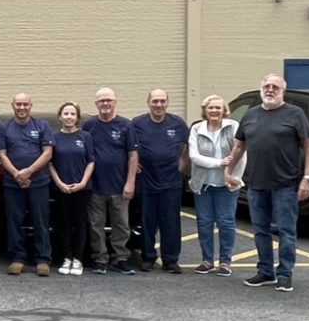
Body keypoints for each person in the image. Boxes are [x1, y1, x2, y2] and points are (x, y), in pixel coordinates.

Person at [224, 74, 309, 293]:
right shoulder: (251, 115)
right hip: (256, 185)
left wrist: (307, 179)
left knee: (286, 231)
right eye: (267, 86)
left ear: (283, 91)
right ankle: (265, 271)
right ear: (261, 89)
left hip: (285, 185)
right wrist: (228, 171)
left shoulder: (295, 114)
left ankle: (285, 274)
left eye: (275, 87)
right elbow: (239, 147)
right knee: (260, 231)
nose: (270, 90)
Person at [0, 93, 54, 276]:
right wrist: (16, 174)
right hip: (13, 184)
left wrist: (28, 172)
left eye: (25, 104)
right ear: (13, 105)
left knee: (41, 221)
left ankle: (43, 259)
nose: (22, 108)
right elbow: (2, 155)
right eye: (18, 104)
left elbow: (48, 153)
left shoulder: (42, 125)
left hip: (39, 182)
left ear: (31, 106)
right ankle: (17, 258)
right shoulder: (4, 128)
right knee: (15, 221)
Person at [131, 89, 189, 273]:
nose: (159, 105)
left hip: (171, 182)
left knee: (170, 222)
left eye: (162, 101)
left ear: (167, 103)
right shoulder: (137, 123)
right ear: (148, 102)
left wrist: (183, 159)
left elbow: (188, 143)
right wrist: (135, 162)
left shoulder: (177, 123)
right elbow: (129, 147)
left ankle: (170, 260)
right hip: (146, 181)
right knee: (147, 222)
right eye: (155, 101)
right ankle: (148, 258)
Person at [82, 88, 138, 275]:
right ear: (96, 104)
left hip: (119, 186)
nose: (105, 104)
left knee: (121, 225)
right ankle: (99, 259)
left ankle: (120, 259)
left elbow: (133, 155)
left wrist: (130, 182)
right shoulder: (89, 125)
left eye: (109, 100)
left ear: (115, 102)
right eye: (101, 101)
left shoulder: (126, 125)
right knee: (96, 225)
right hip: (95, 185)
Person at [188, 95, 245, 277]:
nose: (214, 111)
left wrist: (234, 177)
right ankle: (206, 260)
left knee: (226, 223)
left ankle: (226, 262)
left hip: (226, 184)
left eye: (218, 108)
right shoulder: (197, 128)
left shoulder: (233, 127)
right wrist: (219, 162)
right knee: (204, 223)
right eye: (210, 108)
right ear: (205, 110)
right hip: (203, 184)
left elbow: (241, 154)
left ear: (224, 111)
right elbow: (194, 157)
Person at [49, 102, 94, 276]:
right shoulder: (54, 138)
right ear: (60, 117)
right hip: (61, 188)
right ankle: (66, 257)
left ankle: (78, 259)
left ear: (77, 118)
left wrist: (83, 182)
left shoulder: (85, 137)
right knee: (64, 224)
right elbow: (50, 163)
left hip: (82, 188)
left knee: (81, 223)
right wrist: (59, 183)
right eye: (66, 113)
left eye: (72, 114)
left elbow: (91, 161)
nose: (69, 117)